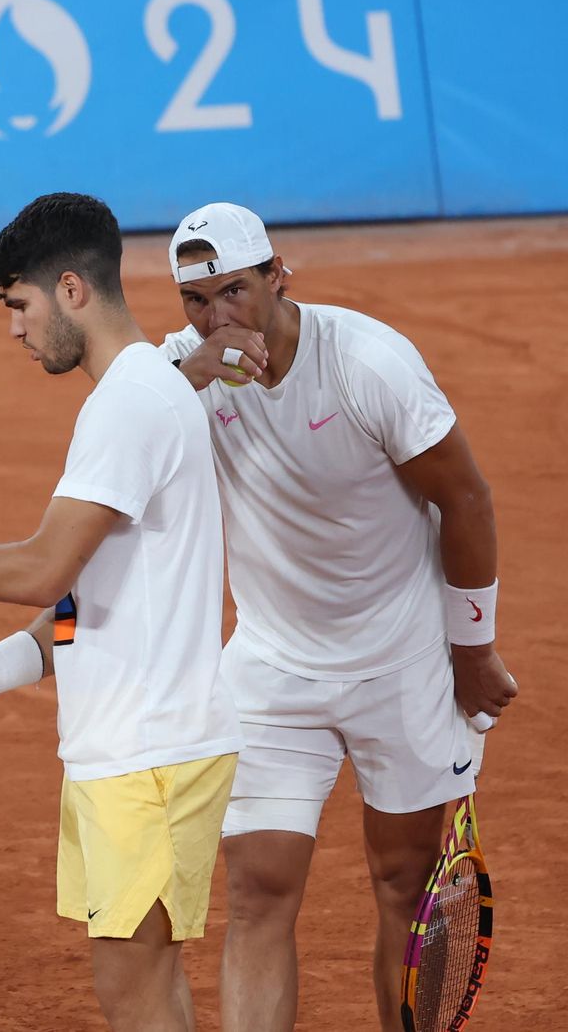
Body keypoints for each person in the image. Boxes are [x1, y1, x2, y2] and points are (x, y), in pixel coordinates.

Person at [0, 192, 242, 1032]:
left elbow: (41, 568)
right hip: (139, 748)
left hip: (149, 755)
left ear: (71, 290)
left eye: (19, 305)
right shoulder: (138, 394)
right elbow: (83, 597)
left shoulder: (128, 405)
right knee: (149, 984)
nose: (15, 330)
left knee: (134, 995)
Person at [158, 201, 517, 1031]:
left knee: (404, 883)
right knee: (257, 891)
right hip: (274, 669)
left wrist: (472, 649)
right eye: (197, 300)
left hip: (405, 660)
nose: (219, 317)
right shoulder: (181, 373)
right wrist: (191, 377)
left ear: (280, 276)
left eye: (237, 291)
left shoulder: (367, 362)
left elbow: (465, 497)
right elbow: (123, 443)